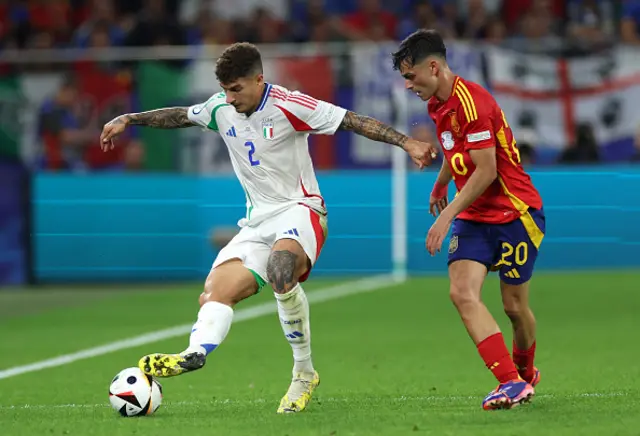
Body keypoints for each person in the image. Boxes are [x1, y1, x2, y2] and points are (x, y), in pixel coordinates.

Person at [100, 42, 437, 414]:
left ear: (260, 79)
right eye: (225, 89)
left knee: (280, 270)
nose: (229, 98)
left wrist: (407, 142)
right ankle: (194, 353)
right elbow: (181, 115)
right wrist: (129, 118)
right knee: (216, 292)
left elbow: (351, 120)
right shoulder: (220, 108)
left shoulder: (291, 105)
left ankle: (303, 372)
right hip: (257, 221)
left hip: (300, 209)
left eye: (237, 89)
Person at [391, 29, 545, 410]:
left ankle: (525, 373)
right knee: (461, 293)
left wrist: (445, 217)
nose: (408, 85)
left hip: (515, 213)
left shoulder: (472, 103)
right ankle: (509, 381)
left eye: (411, 77)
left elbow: (487, 170)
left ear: (434, 66)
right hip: (474, 216)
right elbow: (454, 151)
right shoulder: (436, 105)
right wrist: (440, 185)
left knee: (514, 308)